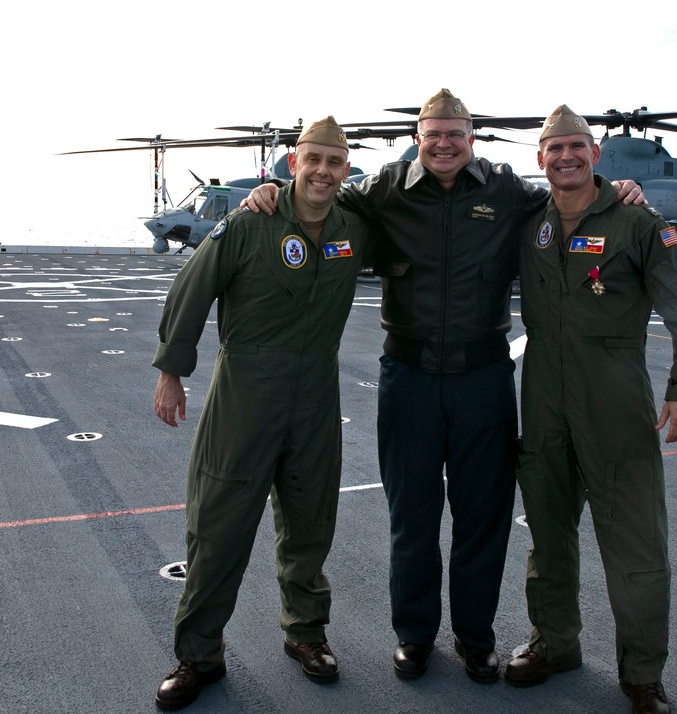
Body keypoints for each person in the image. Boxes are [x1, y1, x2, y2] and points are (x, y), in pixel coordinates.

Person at [244, 89, 644, 685]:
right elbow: (319, 196)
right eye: (434, 133)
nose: (444, 143)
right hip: (407, 377)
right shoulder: (385, 188)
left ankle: (475, 638)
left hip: (483, 377)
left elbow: (569, 196)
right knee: (413, 516)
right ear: (418, 138)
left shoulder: (506, 190)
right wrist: (273, 192)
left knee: (483, 516)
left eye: (455, 133)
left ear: (471, 138)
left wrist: (615, 190)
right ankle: (414, 636)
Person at [151, 116, 374, 710]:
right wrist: (172, 372)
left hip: (317, 393)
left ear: (346, 169)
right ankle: (198, 655)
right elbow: (192, 287)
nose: (323, 171)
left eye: (335, 162)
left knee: (310, 519)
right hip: (246, 388)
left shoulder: (356, 225)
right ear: (294, 162)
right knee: (219, 522)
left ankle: (306, 634)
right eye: (314, 159)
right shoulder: (251, 220)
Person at [502, 106, 677, 714]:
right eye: (555, 149)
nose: (566, 157)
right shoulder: (529, 222)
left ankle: (643, 676)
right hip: (543, 395)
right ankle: (554, 643)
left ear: (597, 155)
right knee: (547, 532)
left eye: (578, 146)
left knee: (634, 543)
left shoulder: (637, 221)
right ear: (539, 158)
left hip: (616, 398)